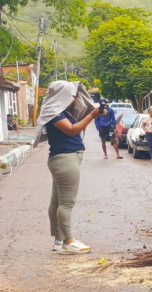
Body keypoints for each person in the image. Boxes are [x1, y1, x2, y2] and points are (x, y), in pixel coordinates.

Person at [31, 80, 104, 254]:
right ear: (61, 95)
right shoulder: (54, 113)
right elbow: (72, 130)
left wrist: (96, 112)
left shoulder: (62, 111)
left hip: (64, 159)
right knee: (66, 203)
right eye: (71, 95)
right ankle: (68, 241)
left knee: (57, 202)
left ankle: (58, 240)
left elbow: (81, 113)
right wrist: (92, 116)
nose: (74, 98)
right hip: (65, 160)